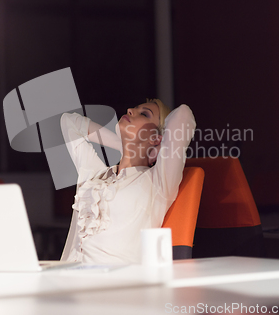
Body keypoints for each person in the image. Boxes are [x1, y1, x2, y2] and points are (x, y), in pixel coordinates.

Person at [60, 99, 196, 264]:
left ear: (156, 139)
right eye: (135, 108)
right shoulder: (95, 173)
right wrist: (122, 146)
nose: (130, 110)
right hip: (65, 279)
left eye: (144, 114)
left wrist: (158, 149)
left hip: (114, 284)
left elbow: (183, 115)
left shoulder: (158, 183)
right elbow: (68, 122)